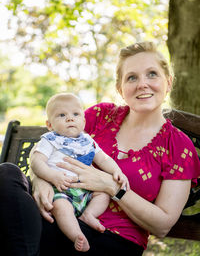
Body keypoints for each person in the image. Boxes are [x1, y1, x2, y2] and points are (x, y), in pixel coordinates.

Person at [0, 41, 200, 256]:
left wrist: (112, 188)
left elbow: (162, 224)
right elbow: (49, 146)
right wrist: (40, 180)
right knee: (7, 173)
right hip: (59, 215)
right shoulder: (100, 116)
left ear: (168, 83)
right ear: (120, 89)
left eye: (152, 74)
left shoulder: (178, 146)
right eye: (132, 77)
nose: (142, 84)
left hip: (111, 239)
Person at [30, 92, 129, 252]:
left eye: (75, 114)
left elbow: (103, 159)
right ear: (49, 124)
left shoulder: (88, 140)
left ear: (83, 121)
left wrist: (117, 171)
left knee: (103, 195)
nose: (70, 118)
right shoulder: (50, 140)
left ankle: (88, 215)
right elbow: (36, 161)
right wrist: (51, 176)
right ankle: (76, 235)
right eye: (62, 115)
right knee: (61, 207)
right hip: (61, 190)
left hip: (85, 191)